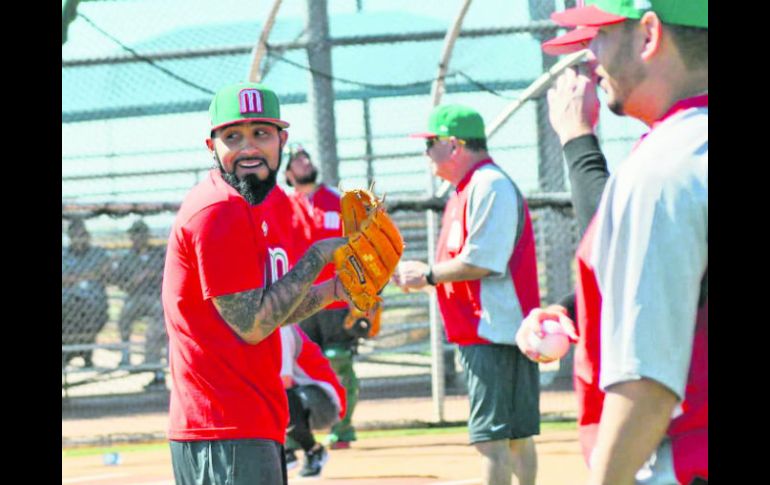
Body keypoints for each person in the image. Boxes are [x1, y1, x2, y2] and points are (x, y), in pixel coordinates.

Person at [517, 2, 708, 484]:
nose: (590, 59)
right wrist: (574, 307)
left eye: (600, 37)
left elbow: (647, 387)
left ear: (649, 35)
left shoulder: (667, 166)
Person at [161, 81, 350, 485]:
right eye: (233, 137)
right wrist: (320, 254)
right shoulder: (220, 209)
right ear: (211, 146)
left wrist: (333, 290)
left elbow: (267, 310)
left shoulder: (247, 206)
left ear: (282, 140)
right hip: (224, 425)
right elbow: (252, 324)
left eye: (261, 134)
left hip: (243, 422)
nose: (249, 148)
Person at [392, 105, 542, 485]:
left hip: (493, 331)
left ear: (454, 145)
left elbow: (484, 261)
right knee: (513, 439)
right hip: (496, 329)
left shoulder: (487, 184)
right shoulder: (468, 188)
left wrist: (426, 274)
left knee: (494, 440)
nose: (426, 153)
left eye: (431, 144)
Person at [284, 145, 361, 450]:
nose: (304, 163)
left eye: (306, 158)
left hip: (336, 297)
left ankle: (342, 428)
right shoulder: (284, 205)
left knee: (338, 360)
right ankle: (296, 432)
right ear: (288, 173)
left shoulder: (337, 201)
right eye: (296, 161)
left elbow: (358, 246)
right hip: (298, 301)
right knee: (297, 366)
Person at [280, 324, 346, 478]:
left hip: (325, 402)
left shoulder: (280, 329)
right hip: (304, 395)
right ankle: (284, 450)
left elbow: (284, 381)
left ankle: (313, 450)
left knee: (281, 395)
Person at [113, 219, 167, 389]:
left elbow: (168, 274)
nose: (137, 238)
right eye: (134, 234)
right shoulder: (128, 257)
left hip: (155, 297)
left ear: (146, 235)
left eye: (141, 234)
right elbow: (120, 282)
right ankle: (125, 355)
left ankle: (153, 364)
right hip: (135, 296)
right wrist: (135, 280)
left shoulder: (158, 253)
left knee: (157, 324)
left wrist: (153, 274)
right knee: (123, 317)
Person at [62, 218, 111, 368]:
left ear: (87, 236)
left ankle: (86, 354)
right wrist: (88, 275)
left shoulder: (98, 253)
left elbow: (104, 272)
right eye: (75, 235)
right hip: (68, 302)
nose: (79, 239)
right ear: (70, 237)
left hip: (93, 302)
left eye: (82, 235)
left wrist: (74, 277)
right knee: (69, 315)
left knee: (90, 316)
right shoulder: (64, 254)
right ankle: (68, 354)